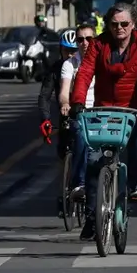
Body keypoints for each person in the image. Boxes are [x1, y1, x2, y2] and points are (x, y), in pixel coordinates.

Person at [70, 3, 137, 241]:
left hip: (132, 110)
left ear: (133, 24)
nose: (119, 28)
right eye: (114, 24)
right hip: (103, 109)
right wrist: (78, 101)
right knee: (93, 161)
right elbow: (84, 73)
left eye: (124, 24)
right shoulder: (98, 45)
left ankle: (136, 184)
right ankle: (93, 217)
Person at [57, 25, 96, 204]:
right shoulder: (70, 64)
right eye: (80, 40)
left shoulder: (104, 60)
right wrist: (65, 103)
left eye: (89, 39)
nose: (85, 43)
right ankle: (80, 183)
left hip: (100, 111)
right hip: (80, 111)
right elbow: (64, 91)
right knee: (81, 136)